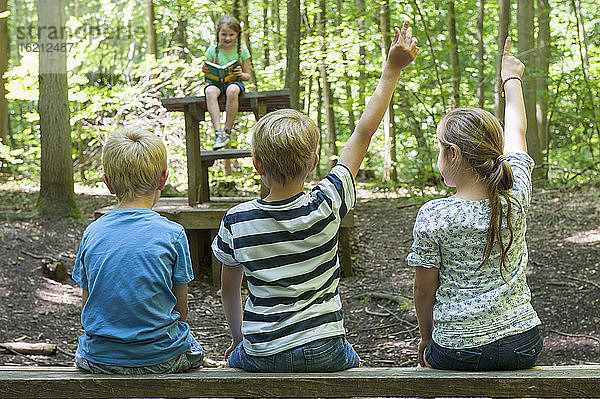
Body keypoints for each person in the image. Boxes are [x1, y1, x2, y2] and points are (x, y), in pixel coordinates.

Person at [211, 21, 419, 372]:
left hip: (264, 353)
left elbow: (230, 291)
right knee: (350, 360)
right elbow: (363, 133)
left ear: (257, 165)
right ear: (314, 163)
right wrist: (391, 71)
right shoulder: (328, 200)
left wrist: (237, 340)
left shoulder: (237, 220)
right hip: (327, 350)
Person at [408, 37, 543, 371]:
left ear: (452, 154)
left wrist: (427, 338)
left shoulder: (434, 215)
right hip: (523, 344)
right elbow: (517, 133)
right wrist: (511, 79)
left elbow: (425, 290)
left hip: (456, 348)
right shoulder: (516, 196)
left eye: (440, 148)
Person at [72, 127, 205, 374]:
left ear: (108, 183)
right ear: (163, 179)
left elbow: (87, 308)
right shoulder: (173, 234)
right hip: (162, 358)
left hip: (101, 359)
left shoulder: (92, 233)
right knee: (193, 348)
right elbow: (181, 311)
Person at [202, 15, 252, 150]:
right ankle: (218, 132)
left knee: (232, 90)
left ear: (237, 35)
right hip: (217, 83)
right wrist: (206, 70)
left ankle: (227, 131)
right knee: (209, 91)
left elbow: (248, 76)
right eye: (224, 34)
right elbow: (208, 74)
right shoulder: (213, 50)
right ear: (218, 33)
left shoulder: (242, 51)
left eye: (231, 34)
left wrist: (240, 74)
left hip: (234, 83)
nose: (227, 38)